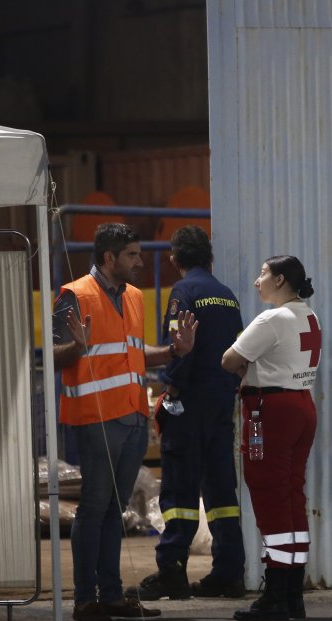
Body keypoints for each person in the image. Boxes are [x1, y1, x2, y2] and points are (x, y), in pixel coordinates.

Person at [53, 222, 197, 621]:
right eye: (132, 255)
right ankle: (86, 600)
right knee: (95, 507)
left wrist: (173, 351)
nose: (139, 261)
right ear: (108, 257)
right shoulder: (73, 295)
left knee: (113, 509)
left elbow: (134, 353)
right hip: (97, 418)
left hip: (132, 417)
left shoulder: (134, 296)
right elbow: (52, 353)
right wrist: (74, 347)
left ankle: (112, 596)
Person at [127, 226, 246, 601]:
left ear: (174, 258)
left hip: (189, 403)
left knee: (179, 489)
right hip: (221, 404)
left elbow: (180, 346)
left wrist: (171, 387)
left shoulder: (184, 292)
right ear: (209, 257)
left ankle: (172, 572)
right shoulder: (228, 296)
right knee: (221, 491)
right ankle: (228, 572)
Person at [221, 255, 321, 621]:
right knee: (292, 495)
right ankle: (292, 592)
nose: (256, 281)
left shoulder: (272, 318)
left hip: (271, 412)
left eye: (262, 274)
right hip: (301, 408)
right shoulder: (308, 315)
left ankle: (277, 594)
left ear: (280, 280)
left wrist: (248, 364)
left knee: (268, 494)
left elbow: (229, 360)